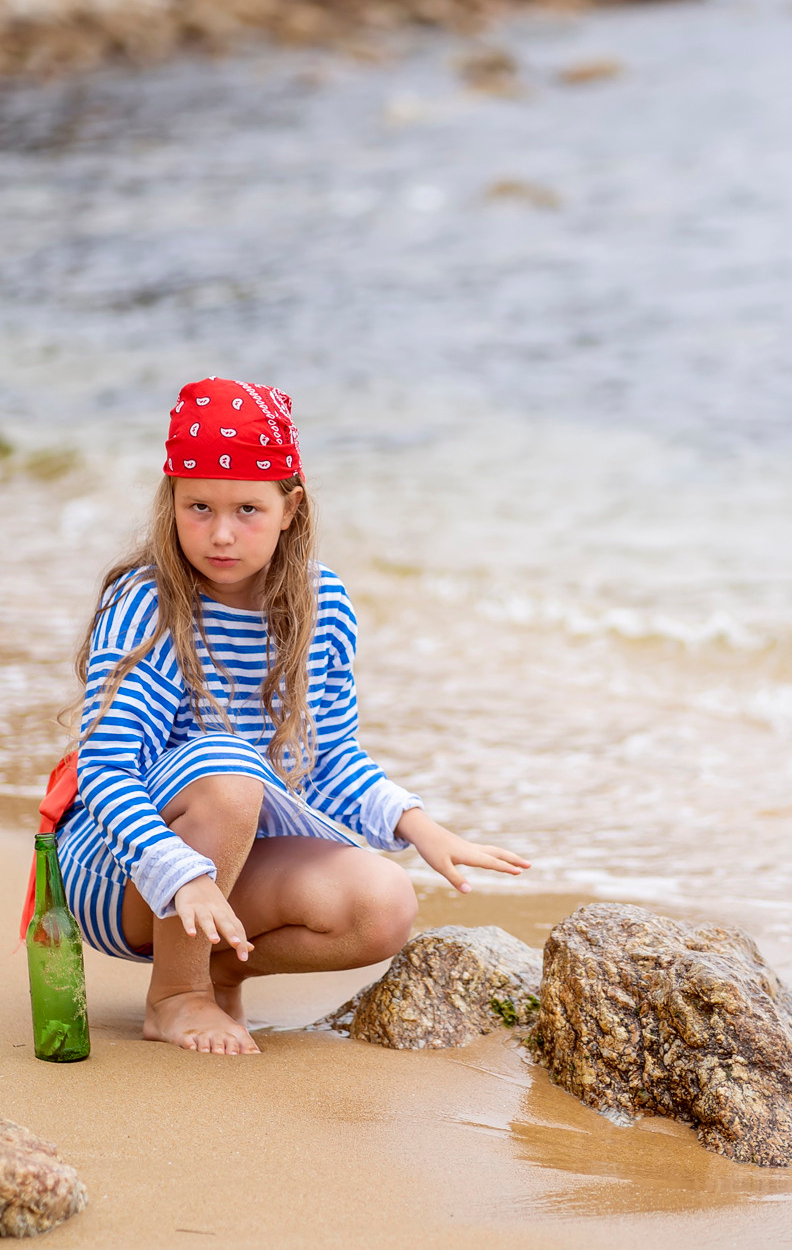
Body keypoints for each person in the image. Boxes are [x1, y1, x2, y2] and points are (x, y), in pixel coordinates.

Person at [53, 377, 528, 1055]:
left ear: (289, 507)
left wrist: (419, 825)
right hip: (116, 865)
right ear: (171, 501)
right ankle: (176, 993)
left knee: (384, 903)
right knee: (231, 775)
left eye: (247, 508)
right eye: (199, 507)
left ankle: (213, 971)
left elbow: (327, 757)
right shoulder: (150, 604)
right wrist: (179, 870)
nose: (221, 533)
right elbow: (106, 766)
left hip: (233, 855)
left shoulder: (321, 603)